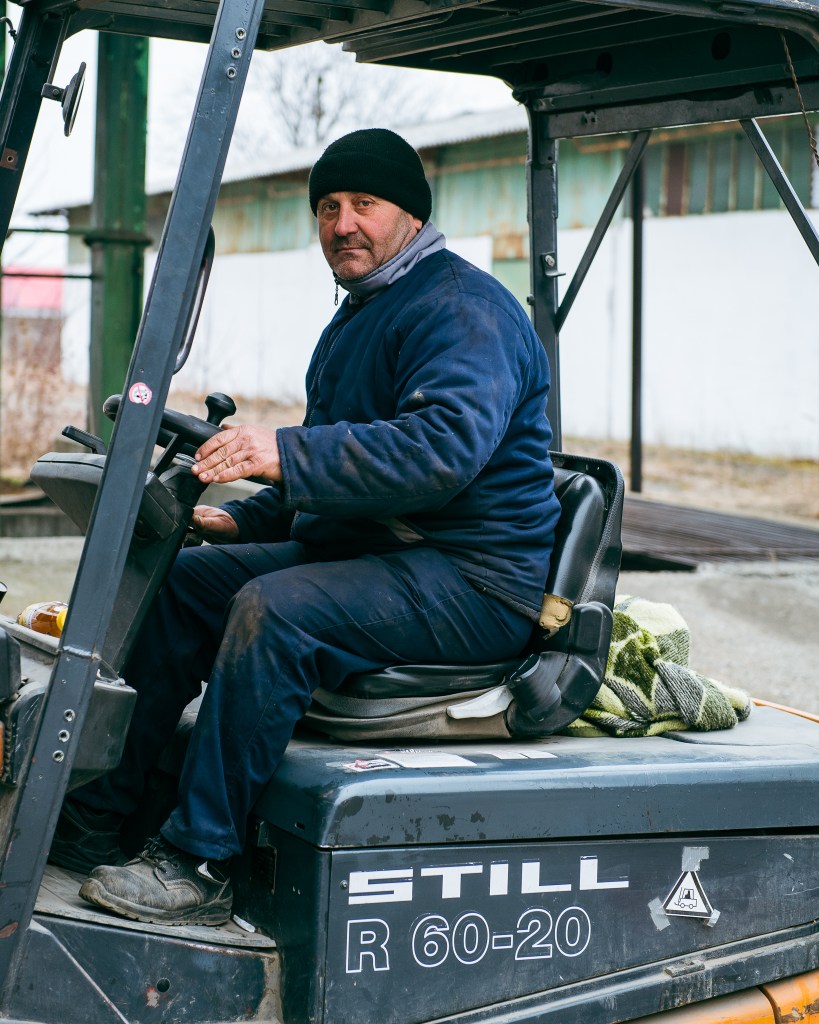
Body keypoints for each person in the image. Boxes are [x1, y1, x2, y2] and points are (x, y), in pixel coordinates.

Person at [49, 128, 562, 926]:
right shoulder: (363, 315)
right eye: (327, 207)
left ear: (410, 217)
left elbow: (439, 453)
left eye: (364, 204)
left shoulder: (463, 311)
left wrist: (280, 450)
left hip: (471, 579)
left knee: (275, 608)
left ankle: (198, 859)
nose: (342, 223)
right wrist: (238, 516)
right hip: (381, 553)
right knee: (183, 581)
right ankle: (98, 817)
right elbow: (332, 475)